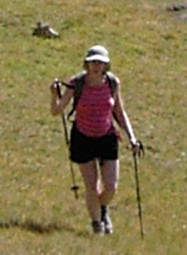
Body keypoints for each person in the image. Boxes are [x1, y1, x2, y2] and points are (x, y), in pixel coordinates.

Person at [51, 44, 138, 234]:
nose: (96, 66)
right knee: (91, 185)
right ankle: (97, 224)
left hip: (107, 137)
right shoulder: (77, 83)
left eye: (100, 62)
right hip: (83, 137)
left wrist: (132, 138)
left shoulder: (112, 83)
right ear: (87, 64)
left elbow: (119, 112)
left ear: (106, 65)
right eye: (93, 62)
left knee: (111, 187)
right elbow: (57, 110)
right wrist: (53, 95)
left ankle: (102, 208)